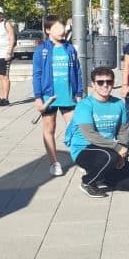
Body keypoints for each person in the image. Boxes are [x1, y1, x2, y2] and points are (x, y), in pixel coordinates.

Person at [65, 67, 129, 198]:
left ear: (113, 83)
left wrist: (123, 150)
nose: (105, 85)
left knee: (128, 184)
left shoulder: (119, 104)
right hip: (84, 148)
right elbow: (90, 134)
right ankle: (87, 182)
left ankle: (102, 173)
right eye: (100, 82)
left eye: (109, 82)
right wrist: (117, 148)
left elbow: (123, 130)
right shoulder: (85, 105)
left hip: (108, 148)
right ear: (93, 84)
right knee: (110, 157)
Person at [32, 14, 83, 177]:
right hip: (49, 97)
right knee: (49, 128)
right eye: (57, 27)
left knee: (76, 128)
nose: (62, 30)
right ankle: (54, 163)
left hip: (68, 96)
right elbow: (37, 75)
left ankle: (81, 159)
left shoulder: (70, 48)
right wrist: (38, 97)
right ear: (48, 30)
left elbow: (77, 71)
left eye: (63, 26)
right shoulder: (42, 50)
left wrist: (79, 93)